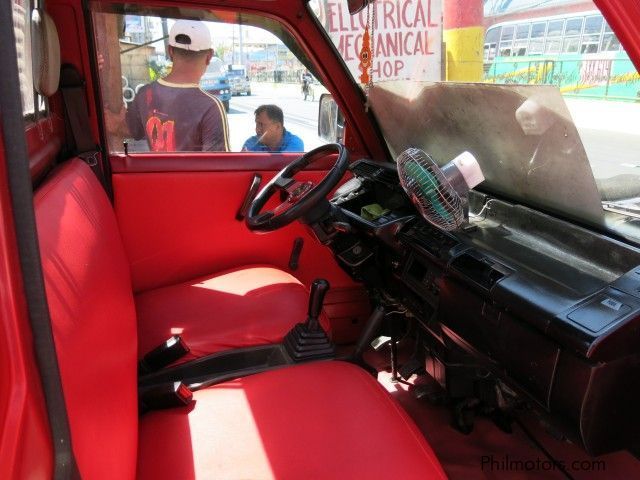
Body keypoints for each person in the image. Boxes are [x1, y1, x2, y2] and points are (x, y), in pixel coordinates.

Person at [106, 19, 230, 152]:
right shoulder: (211, 107)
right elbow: (218, 162)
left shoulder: (145, 94)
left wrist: (111, 120)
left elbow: (124, 128)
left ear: (170, 51)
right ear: (209, 56)